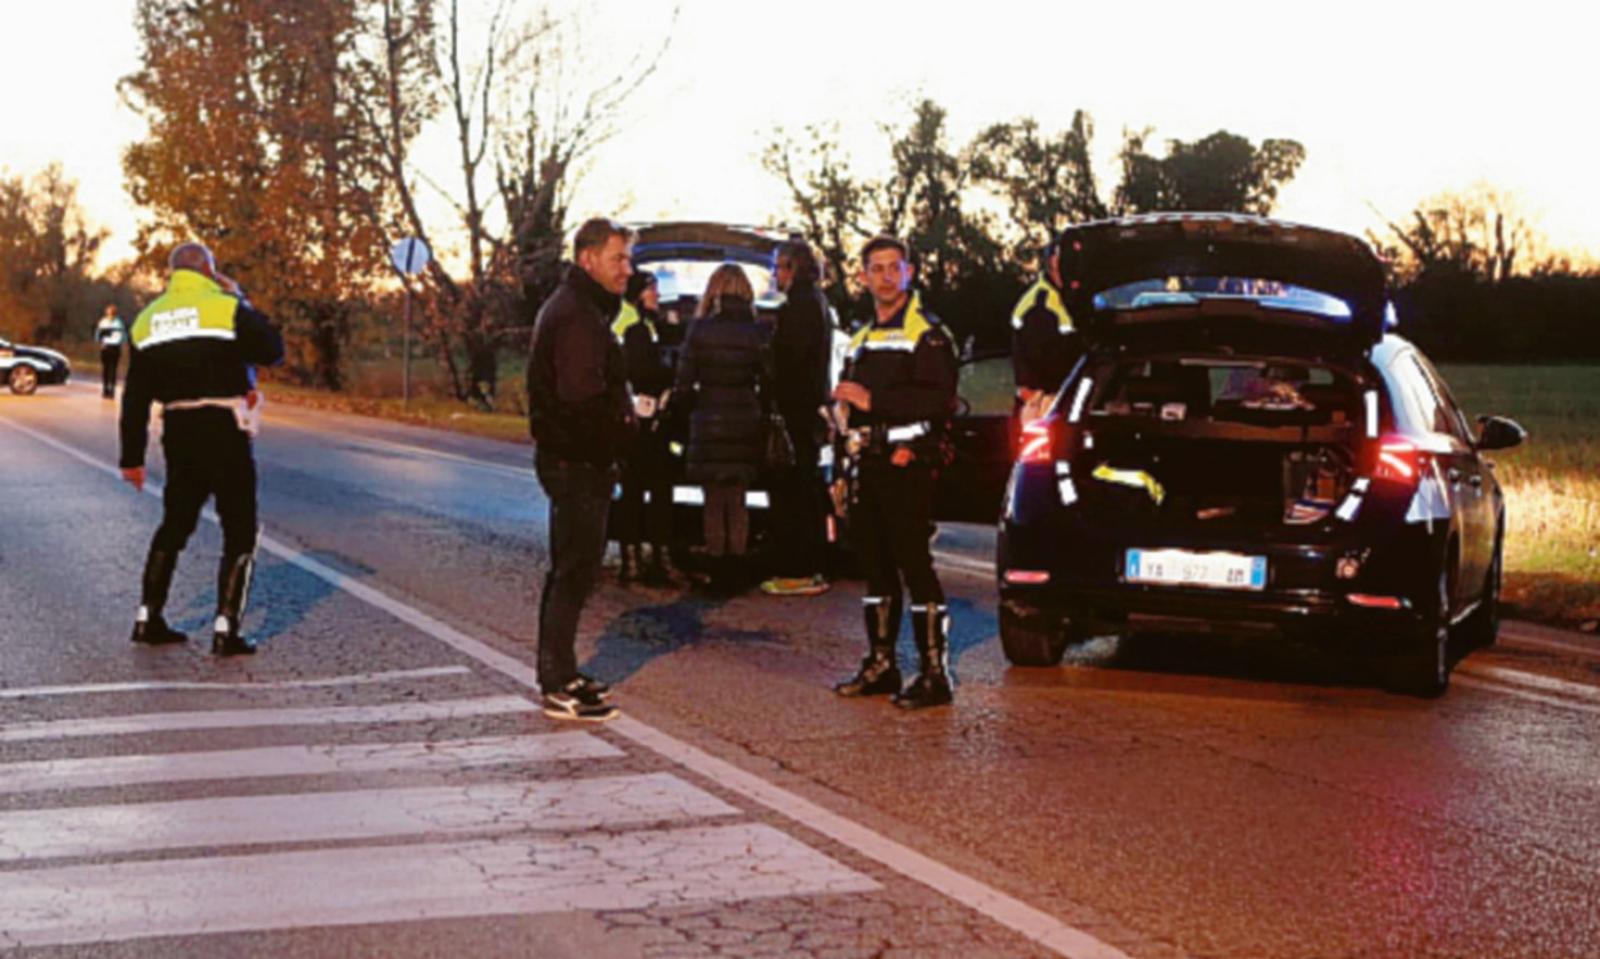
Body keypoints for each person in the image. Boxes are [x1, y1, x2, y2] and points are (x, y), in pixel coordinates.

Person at [120, 243, 284, 655]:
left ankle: (147, 617)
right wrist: (239, 298)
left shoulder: (146, 321)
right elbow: (272, 350)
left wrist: (132, 457)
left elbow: (135, 398)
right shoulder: (225, 308)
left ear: (172, 274)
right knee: (240, 528)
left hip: (178, 429)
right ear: (209, 272)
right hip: (225, 428)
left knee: (175, 524)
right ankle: (226, 628)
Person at [832, 235, 959, 710]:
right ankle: (881, 664)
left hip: (909, 463)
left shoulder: (927, 333)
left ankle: (934, 672)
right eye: (876, 268)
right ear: (862, 276)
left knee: (914, 565)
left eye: (894, 268)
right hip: (866, 464)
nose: (886, 276)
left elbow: (939, 399)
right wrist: (840, 468)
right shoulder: (862, 338)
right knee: (875, 568)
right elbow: (846, 409)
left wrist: (875, 403)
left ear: (909, 273)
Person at [526, 217, 635, 723]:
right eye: (619, 259)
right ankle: (556, 681)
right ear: (588, 259)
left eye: (628, 259)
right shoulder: (576, 317)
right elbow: (581, 398)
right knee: (572, 569)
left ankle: (564, 671)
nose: (627, 270)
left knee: (577, 568)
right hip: (577, 460)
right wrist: (623, 430)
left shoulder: (581, 310)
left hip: (577, 457)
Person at [672, 263, 769, 592]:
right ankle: (737, 568)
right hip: (745, 417)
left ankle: (716, 570)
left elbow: (684, 381)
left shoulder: (699, 330)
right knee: (737, 498)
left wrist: (677, 415)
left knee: (713, 499)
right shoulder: (758, 331)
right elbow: (768, 379)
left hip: (709, 418)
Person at [761, 239, 834, 598]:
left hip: (794, 412)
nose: (775, 275)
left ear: (792, 267)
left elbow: (787, 364)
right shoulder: (818, 304)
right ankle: (811, 566)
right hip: (808, 412)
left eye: (778, 267)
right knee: (805, 489)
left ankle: (797, 569)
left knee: (792, 493)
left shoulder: (797, 308)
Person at [612, 270, 675, 585]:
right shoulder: (636, 329)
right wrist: (669, 377)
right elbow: (644, 372)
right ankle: (644, 560)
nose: (658, 296)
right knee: (647, 487)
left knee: (640, 488)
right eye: (653, 291)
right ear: (639, 295)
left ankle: (638, 558)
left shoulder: (646, 326)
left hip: (640, 418)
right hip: (642, 420)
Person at [1010, 239, 1081, 423]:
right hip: (1042, 406)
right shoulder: (1041, 303)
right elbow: (1042, 362)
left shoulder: (1065, 299)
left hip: (1058, 402)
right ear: (1052, 263)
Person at [95, 304, 127, 399]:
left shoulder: (117, 323)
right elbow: (98, 335)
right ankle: (106, 389)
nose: (110, 314)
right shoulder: (104, 322)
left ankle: (111, 390)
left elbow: (123, 336)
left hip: (114, 348)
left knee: (112, 370)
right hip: (106, 347)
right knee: (106, 369)